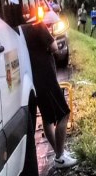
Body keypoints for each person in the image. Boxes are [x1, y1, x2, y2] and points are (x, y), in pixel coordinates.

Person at [23, 21, 77, 168]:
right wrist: (50, 36)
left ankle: (59, 153)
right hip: (47, 77)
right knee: (64, 114)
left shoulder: (21, 29)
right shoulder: (37, 25)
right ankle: (59, 157)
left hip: (34, 79)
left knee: (47, 119)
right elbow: (54, 47)